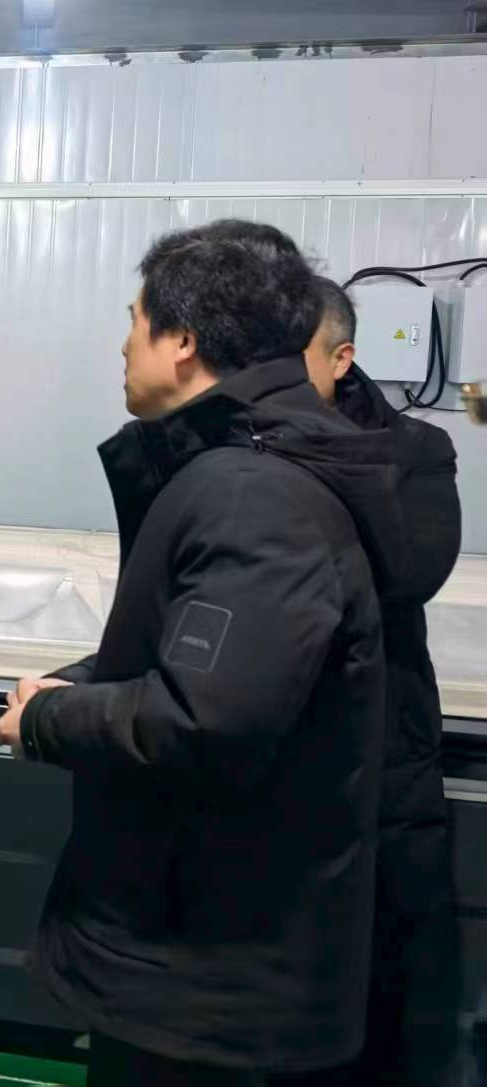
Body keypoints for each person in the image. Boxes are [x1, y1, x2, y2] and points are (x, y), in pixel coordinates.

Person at [0, 221, 401, 1085]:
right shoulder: (255, 465)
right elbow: (213, 656)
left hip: (205, 971)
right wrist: (75, 682)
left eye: (134, 321)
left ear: (181, 341)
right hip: (202, 951)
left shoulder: (255, 493)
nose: (123, 344)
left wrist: (49, 719)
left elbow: (205, 718)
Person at [295, 277, 461, 1086]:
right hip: (281, 759)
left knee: (394, 978)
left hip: (386, 753)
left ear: (342, 359)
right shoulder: (242, 449)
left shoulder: (416, 450)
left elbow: (406, 571)